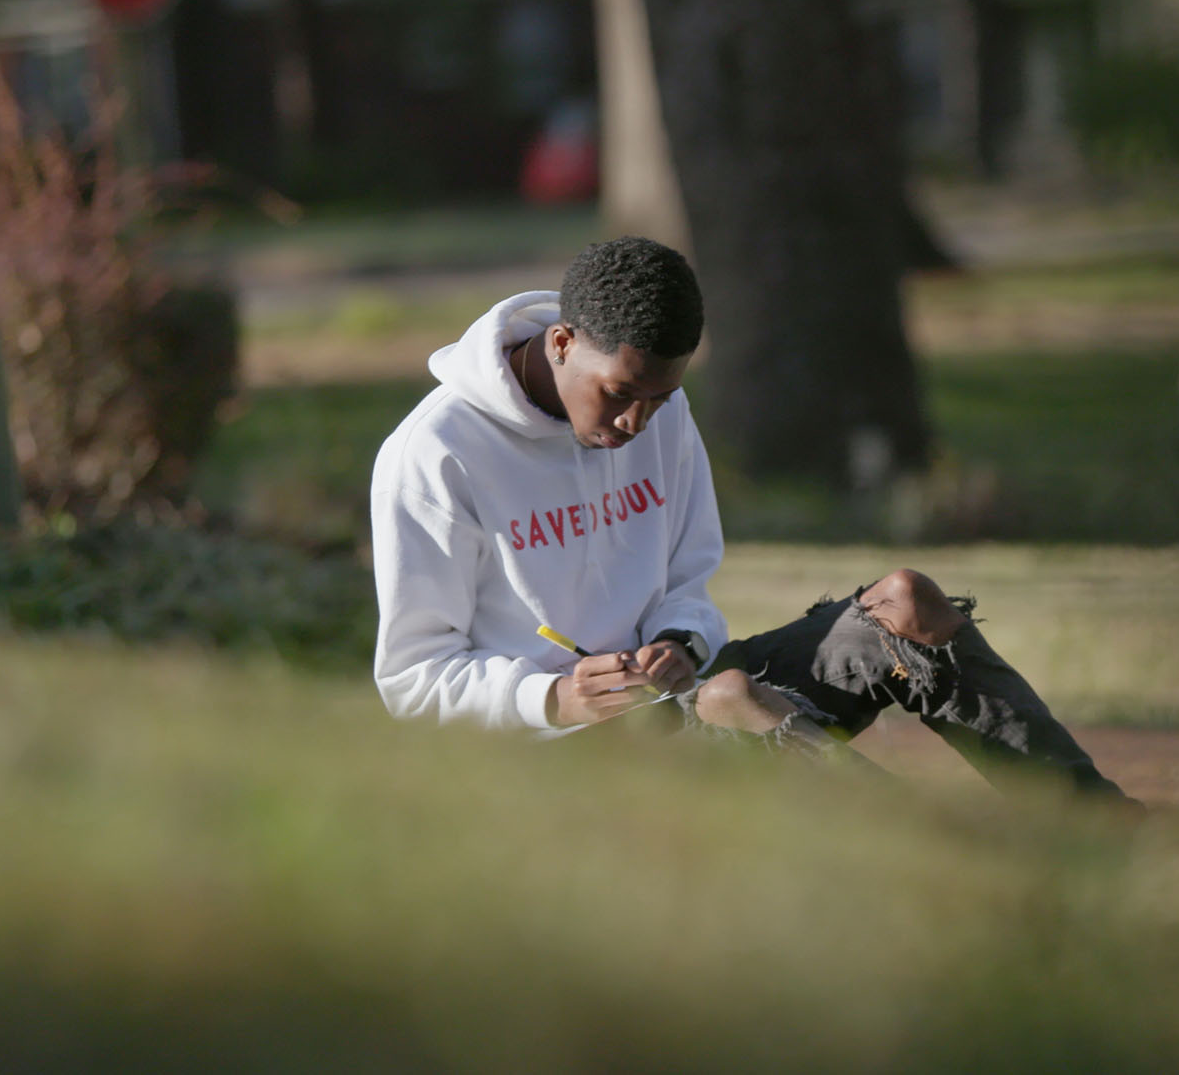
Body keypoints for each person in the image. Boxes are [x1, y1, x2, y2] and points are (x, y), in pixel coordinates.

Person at [370, 237, 1130, 801]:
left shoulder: (660, 413)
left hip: (683, 703)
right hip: (562, 766)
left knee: (907, 604)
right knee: (731, 699)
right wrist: (550, 696)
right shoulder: (435, 455)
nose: (638, 422)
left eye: (660, 399)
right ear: (563, 342)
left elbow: (690, 581)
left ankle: (1099, 825)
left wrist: (677, 639)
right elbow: (411, 679)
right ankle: (952, 861)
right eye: (619, 394)